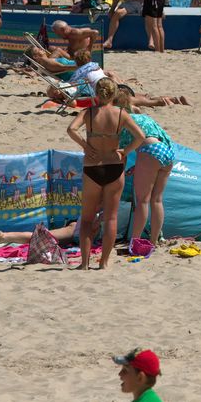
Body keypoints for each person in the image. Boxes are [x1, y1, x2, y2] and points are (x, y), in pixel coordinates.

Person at [66, 78, 147, 270]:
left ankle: (84, 263)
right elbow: (141, 137)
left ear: (96, 93)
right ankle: (103, 262)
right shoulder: (121, 114)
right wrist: (125, 152)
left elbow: (71, 129)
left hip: (93, 167)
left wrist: (85, 146)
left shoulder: (88, 112)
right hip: (114, 166)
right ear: (114, 94)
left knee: (86, 219)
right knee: (110, 218)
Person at [114, 88, 175, 244]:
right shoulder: (144, 118)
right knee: (157, 200)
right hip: (168, 153)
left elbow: (122, 156)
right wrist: (143, 166)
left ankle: (135, 241)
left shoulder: (125, 122)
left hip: (150, 151)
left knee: (142, 201)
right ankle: (154, 241)